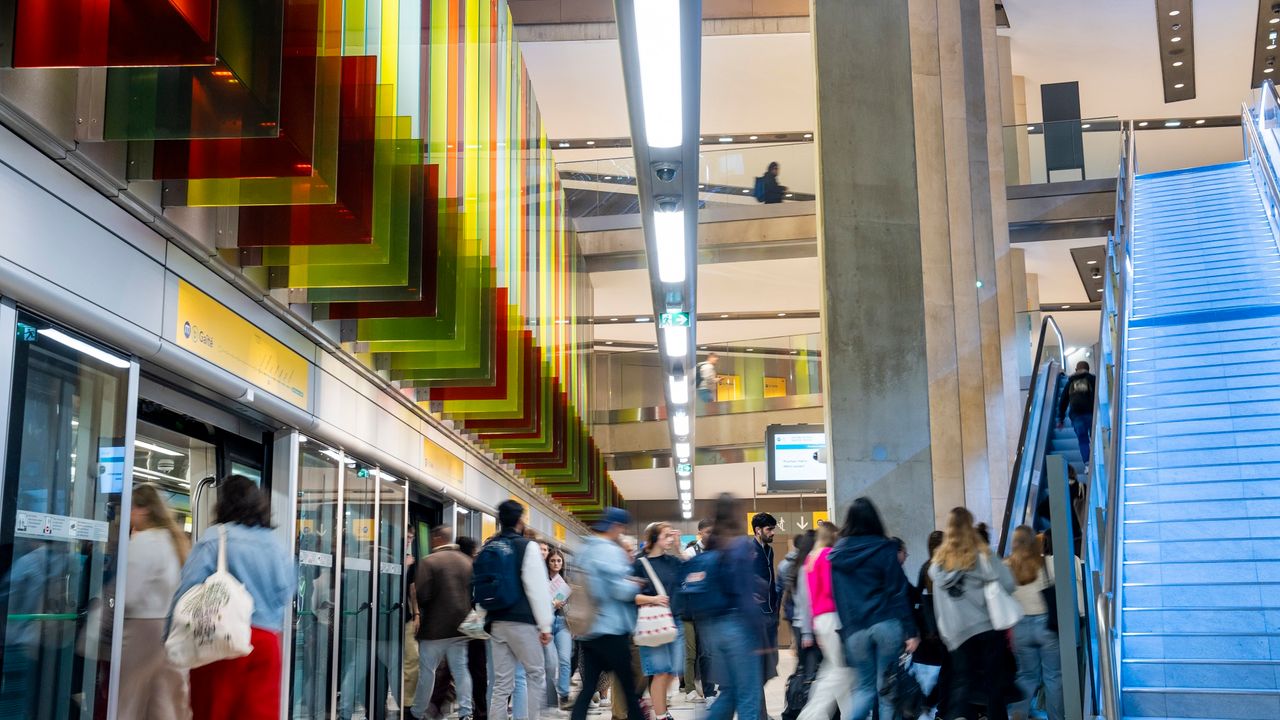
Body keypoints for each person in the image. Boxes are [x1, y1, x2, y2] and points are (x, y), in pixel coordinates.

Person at [172, 475, 294, 720]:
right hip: (266, 644)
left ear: (223, 504)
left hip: (221, 639)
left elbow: (187, 590)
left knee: (213, 711)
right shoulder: (277, 546)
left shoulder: (215, 538)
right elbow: (287, 590)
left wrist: (171, 637)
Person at [828, 498, 920, 720]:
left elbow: (838, 597)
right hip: (886, 624)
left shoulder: (837, 555)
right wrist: (911, 630)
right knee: (887, 690)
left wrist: (846, 632)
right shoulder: (885, 548)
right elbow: (898, 592)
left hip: (856, 630)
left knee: (864, 690)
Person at [929, 507, 1018, 720]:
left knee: (961, 682)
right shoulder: (982, 555)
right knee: (993, 684)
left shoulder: (937, 565)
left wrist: (947, 634)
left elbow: (938, 605)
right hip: (987, 628)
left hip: (958, 633)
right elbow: (1008, 583)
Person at [570, 507, 652, 720]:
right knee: (628, 687)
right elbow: (617, 589)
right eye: (622, 528)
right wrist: (636, 585)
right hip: (612, 629)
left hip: (589, 630)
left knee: (588, 688)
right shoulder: (610, 551)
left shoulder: (585, 548)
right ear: (616, 526)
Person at [120, 483, 190, 720]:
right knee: (162, 700)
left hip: (141, 629)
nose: (129, 515)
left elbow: (127, 594)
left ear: (143, 510)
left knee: (129, 699)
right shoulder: (174, 542)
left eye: (131, 508)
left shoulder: (143, 542)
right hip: (170, 628)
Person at [481, 500, 553, 720]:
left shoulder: (490, 546)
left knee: (501, 682)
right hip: (522, 622)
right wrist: (545, 625)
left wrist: (484, 616)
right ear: (520, 520)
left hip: (496, 622)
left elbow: (480, 583)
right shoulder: (526, 546)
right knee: (535, 674)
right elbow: (537, 587)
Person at [699, 494, 765, 720]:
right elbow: (745, 595)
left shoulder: (712, 544)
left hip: (713, 627)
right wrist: (760, 634)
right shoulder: (739, 545)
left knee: (729, 692)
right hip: (738, 626)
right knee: (748, 694)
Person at [411, 526, 474, 720]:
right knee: (461, 670)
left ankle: (418, 711)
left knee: (427, 672)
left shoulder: (429, 561)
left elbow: (422, 594)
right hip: (461, 628)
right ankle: (465, 712)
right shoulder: (467, 561)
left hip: (435, 629)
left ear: (438, 538)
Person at [795, 521, 852, 720]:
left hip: (820, 619)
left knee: (835, 668)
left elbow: (807, 596)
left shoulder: (810, 558)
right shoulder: (827, 555)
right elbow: (831, 589)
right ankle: (812, 715)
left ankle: (849, 714)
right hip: (832, 616)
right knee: (841, 671)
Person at [1006, 526, 1063, 720]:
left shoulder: (1007, 566)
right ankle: (1056, 717)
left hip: (1020, 627)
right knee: (1053, 676)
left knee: (1026, 676)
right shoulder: (1047, 563)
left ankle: (1017, 715)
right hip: (1045, 625)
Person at [633, 522, 684, 720]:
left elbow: (690, 570)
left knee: (674, 670)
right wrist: (652, 599)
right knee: (660, 671)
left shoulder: (674, 561)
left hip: (675, 621)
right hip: (653, 623)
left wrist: (679, 548)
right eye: (666, 535)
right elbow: (631, 596)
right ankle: (662, 715)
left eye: (671, 535)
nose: (670, 539)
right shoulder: (640, 564)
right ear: (654, 539)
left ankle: (656, 705)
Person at [681, 519, 716, 703]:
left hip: (707, 611)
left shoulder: (716, 553)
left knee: (707, 652)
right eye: (708, 531)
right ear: (700, 532)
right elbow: (684, 579)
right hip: (688, 611)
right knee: (690, 652)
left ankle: (709, 690)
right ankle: (689, 689)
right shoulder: (690, 552)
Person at [749, 511, 781, 714]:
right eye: (769, 529)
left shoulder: (769, 551)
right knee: (758, 668)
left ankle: (758, 711)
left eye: (773, 529)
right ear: (757, 530)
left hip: (770, 615)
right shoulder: (747, 550)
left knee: (770, 665)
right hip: (755, 617)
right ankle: (758, 713)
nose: (772, 533)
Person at [547, 549, 574, 710]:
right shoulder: (541, 579)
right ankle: (550, 696)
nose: (556, 563)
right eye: (553, 560)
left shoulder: (566, 581)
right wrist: (552, 605)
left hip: (563, 622)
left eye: (559, 561)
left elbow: (572, 604)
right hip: (547, 622)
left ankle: (564, 695)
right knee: (550, 662)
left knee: (564, 659)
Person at [1057, 360, 1097, 462]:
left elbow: (1063, 401)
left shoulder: (1070, 381)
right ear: (1088, 370)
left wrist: (1061, 419)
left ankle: (1088, 463)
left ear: (1076, 370)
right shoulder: (1092, 379)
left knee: (1083, 440)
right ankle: (1098, 457)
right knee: (1096, 437)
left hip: (1076, 416)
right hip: (1091, 414)